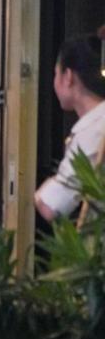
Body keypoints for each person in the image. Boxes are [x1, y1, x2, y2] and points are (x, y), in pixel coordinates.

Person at [36, 33, 105, 223]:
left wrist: (37, 193)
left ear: (68, 77)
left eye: (55, 73)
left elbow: (51, 206)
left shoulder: (92, 130)